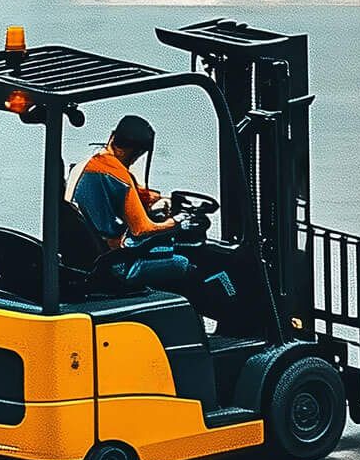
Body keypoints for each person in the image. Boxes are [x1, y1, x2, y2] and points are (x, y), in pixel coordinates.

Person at [67, 114, 238, 321]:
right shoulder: (117, 176)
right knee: (188, 264)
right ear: (137, 153)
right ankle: (231, 317)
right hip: (116, 266)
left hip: (93, 258)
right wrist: (178, 221)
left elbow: (132, 194)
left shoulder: (90, 165)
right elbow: (142, 229)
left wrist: (158, 200)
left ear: (113, 136)